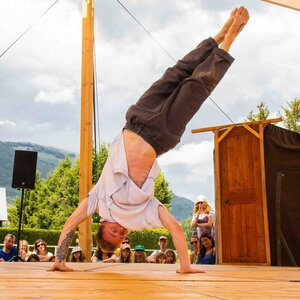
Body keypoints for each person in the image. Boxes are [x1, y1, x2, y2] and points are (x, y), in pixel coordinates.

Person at [49, 7, 249, 274]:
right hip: (160, 135)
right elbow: (177, 229)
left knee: (177, 72)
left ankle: (220, 33)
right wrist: (185, 267)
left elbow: (70, 223)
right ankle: (229, 41)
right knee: (195, 87)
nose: (119, 230)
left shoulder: (98, 201)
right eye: (120, 236)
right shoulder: (143, 216)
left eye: (112, 231)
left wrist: (59, 260)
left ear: (102, 224)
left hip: (136, 119)